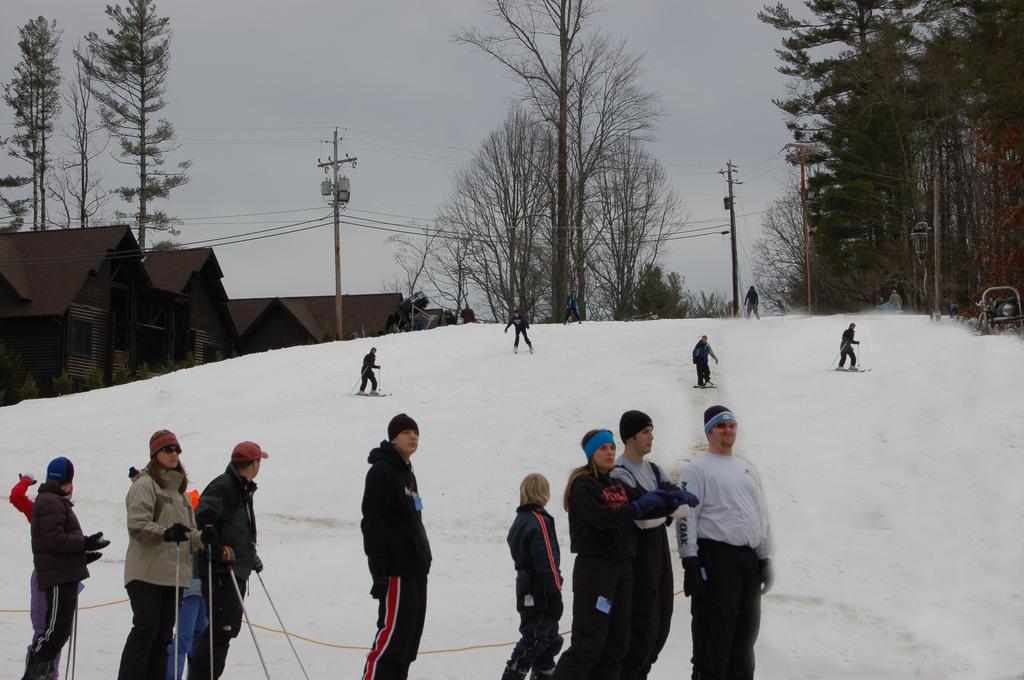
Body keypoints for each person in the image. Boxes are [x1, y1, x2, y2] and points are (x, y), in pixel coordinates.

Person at [550, 430, 690, 680]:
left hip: (622, 568)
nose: (610, 452)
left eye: (612, 447)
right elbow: (602, 518)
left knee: (617, 645)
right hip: (596, 568)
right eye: (603, 448)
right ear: (591, 453)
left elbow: (644, 506)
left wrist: (670, 501)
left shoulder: (617, 484)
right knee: (589, 644)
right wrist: (636, 507)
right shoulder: (584, 484)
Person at [676, 406, 772, 680]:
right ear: (709, 431)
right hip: (716, 560)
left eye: (732, 425)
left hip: (747, 562)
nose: (728, 430)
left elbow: (759, 515)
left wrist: (764, 557)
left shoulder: (746, 469)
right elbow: (685, 517)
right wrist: (690, 561)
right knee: (714, 642)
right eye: (721, 426)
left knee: (744, 642)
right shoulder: (696, 470)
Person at [610, 411, 697, 680]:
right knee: (641, 626)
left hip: (659, 554)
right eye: (646, 431)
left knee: (662, 621)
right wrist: (665, 506)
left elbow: (682, 504)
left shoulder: (654, 470)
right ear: (630, 437)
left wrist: (662, 505)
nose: (651, 437)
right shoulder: (620, 473)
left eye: (652, 430)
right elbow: (641, 517)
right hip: (638, 556)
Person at [118, 430, 207, 680]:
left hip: (173, 575)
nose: (174, 454)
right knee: (146, 629)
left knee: (163, 636)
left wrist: (203, 538)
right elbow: (137, 526)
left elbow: (187, 535)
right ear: (155, 453)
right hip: (146, 573)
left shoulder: (180, 494)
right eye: (168, 449)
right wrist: (166, 533)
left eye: (177, 450)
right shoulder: (145, 485)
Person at [189, 441, 269, 680]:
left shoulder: (241, 487)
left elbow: (237, 530)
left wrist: (249, 556)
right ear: (253, 463)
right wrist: (216, 549)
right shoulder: (225, 486)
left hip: (236, 569)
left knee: (225, 631)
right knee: (219, 632)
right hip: (221, 572)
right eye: (259, 461)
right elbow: (203, 519)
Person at [23, 457, 110, 680]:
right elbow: (56, 540)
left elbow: (56, 544)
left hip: (61, 572)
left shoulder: (53, 501)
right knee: (54, 633)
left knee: (58, 632)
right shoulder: (51, 501)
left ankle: (41, 673)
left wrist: (82, 557)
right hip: (57, 576)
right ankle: (34, 672)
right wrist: (85, 542)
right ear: (69, 481)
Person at [361, 414, 432, 680]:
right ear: (393, 437)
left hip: (416, 570)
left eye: (416, 433)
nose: (413, 437)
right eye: (406, 433)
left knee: (406, 647)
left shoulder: (407, 473)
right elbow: (372, 522)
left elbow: (414, 519)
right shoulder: (382, 471)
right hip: (397, 571)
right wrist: (379, 569)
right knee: (390, 644)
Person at [502, 474, 564, 680]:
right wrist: (555, 593)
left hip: (526, 585)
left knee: (550, 640)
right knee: (535, 638)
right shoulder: (540, 521)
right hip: (541, 589)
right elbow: (546, 560)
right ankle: (515, 671)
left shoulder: (520, 520)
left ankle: (543, 672)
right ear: (544, 493)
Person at [11, 472, 72, 680]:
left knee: (55, 633)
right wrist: (25, 482)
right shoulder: (40, 510)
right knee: (43, 630)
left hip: (62, 578)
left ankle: (50, 675)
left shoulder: (67, 513)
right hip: (44, 576)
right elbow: (16, 498)